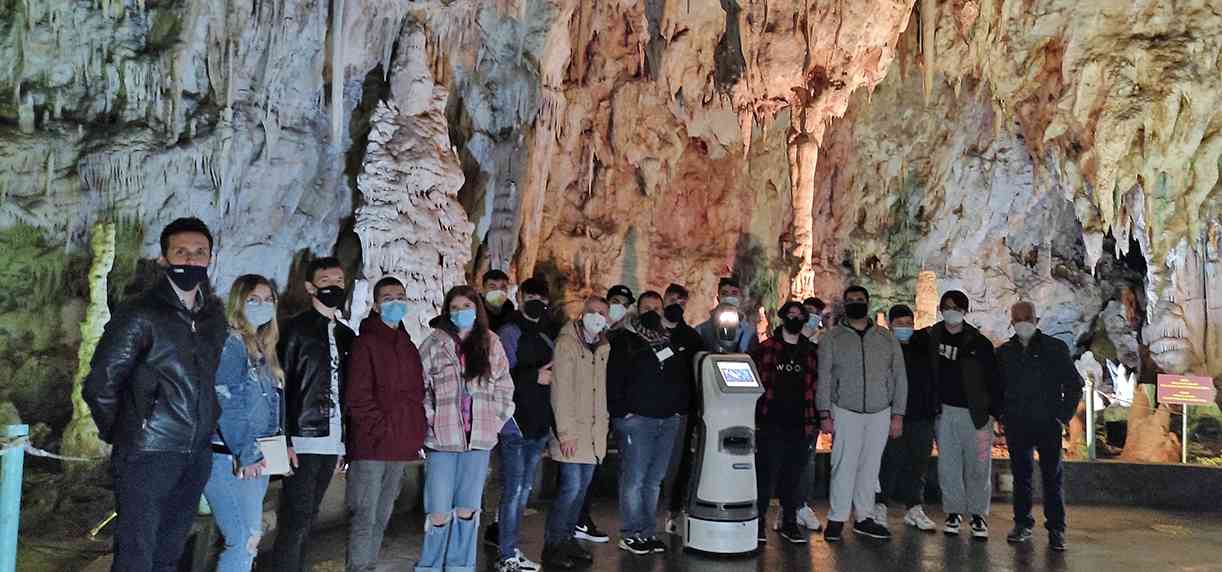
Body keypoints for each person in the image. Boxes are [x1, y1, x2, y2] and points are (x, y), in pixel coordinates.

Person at [84, 217, 227, 572]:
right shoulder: (141, 313)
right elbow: (101, 382)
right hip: (148, 453)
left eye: (199, 252)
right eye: (181, 252)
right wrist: (127, 432)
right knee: (136, 555)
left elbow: (208, 379)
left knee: (169, 552)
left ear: (210, 258)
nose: (190, 260)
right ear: (164, 259)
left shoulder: (212, 316)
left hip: (195, 453)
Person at [416, 286, 515, 572]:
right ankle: (430, 566)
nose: (461, 312)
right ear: (447, 311)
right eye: (455, 308)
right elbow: (420, 388)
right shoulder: (433, 344)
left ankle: (460, 565)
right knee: (438, 509)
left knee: (468, 509)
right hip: (442, 440)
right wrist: (431, 419)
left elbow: (504, 386)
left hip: (479, 440)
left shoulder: (491, 343)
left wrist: (495, 421)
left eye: (467, 306)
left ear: (477, 310)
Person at [272, 256, 355, 571]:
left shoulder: (347, 336)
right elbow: (281, 386)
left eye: (339, 281)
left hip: (331, 440)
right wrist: (284, 439)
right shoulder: (294, 330)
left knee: (310, 517)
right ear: (310, 287)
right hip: (302, 438)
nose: (334, 287)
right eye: (326, 281)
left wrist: (344, 442)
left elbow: (347, 391)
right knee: (296, 516)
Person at [344, 276, 427, 572]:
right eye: (388, 298)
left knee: (382, 515)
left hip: (399, 445)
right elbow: (358, 396)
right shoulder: (365, 343)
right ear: (376, 306)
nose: (395, 302)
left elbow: (416, 394)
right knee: (364, 516)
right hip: (372, 445)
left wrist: (414, 433)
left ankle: (368, 565)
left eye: (400, 296)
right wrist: (382, 429)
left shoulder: (407, 345)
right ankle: (359, 567)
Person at [203, 275, 285, 572]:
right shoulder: (231, 344)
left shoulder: (262, 349)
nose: (262, 306)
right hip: (229, 456)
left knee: (250, 537)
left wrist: (278, 449)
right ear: (239, 303)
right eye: (253, 300)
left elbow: (270, 407)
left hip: (257, 455)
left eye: (268, 300)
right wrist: (247, 453)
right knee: (244, 539)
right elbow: (227, 402)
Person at [815, 285, 907, 542]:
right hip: (845, 409)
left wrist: (898, 414)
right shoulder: (832, 338)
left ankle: (864, 517)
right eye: (851, 300)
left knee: (870, 466)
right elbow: (824, 377)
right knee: (843, 465)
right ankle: (837, 517)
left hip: (880, 410)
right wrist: (824, 413)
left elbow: (899, 376)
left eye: (860, 299)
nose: (856, 303)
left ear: (868, 302)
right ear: (845, 305)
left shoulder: (885, 338)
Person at [997, 301, 1082, 551]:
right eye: (1018, 318)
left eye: (1027, 317)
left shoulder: (1054, 348)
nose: (1022, 322)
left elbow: (1074, 384)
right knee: (1021, 476)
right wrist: (1002, 415)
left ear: (1036, 320)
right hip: (1017, 424)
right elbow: (996, 387)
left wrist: (1062, 416)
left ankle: (1056, 528)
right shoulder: (1004, 353)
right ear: (1012, 322)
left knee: (1052, 477)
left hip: (1047, 423)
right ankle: (1022, 523)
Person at [607, 291, 687, 555]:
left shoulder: (666, 341)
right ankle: (630, 533)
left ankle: (648, 531)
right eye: (646, 308)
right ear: (637, 310)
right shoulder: (625, 339)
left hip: (667, 420)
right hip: (638, 421)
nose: (652, 312)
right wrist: (622, 412)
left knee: (654, 480)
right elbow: (613, 378)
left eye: (656, 307)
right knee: (635, 478)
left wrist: (677, 410)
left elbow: (677, 376)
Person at [489, 277, 556, 572]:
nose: (536, 302)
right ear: (520, 298)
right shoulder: (509, 332)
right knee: (514, 490)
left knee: (523, 490)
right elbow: (500, 376)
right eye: (531, 296)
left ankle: (511, 548)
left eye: (541, 298)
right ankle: (507, 553)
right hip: (514, 423)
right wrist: (533, 377)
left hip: (538, 423)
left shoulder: (547, 332)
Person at [542, 297, 613, 570]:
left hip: (593, 433)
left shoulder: (603, 347)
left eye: (602, 313)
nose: (597, 316)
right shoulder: (566, 343)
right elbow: (560, 391)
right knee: (570, 490)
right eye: (592, 311)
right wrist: (566, 433)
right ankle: (553, 544)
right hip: (572, 431)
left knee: (581, 491)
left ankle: (568, 539)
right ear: (582, 314)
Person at [928, 290, 1001, 539]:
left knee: (979, 465)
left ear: (965, 311)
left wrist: (994, 413)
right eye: (947, 306)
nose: (952, 311)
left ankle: (978, 514)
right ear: (940, 309)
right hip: (945, 413)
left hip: (977, 416)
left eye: (957, 307)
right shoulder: (931, 338)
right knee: (948, 466)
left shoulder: (980, 343)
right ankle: (953, 512)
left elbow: (994, 380)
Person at [568, 285, 637, 544]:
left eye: (624, 304)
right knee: (579, 473)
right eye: (615, 301)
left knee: (592, 469)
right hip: (585, 412)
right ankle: (574, 522)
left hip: (606, 412)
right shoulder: (588, 335)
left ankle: (580, 519)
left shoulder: (624, 337)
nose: (619, 307)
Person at [750, 301, 820, 544]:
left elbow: (815, 385)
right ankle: (758, 522)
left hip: (800, 421)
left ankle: (789, 522)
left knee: (793, 476)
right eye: (791, 314)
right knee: (765, 475)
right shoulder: (765, 348)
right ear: (782, 317)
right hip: (770, 420)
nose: (795, 318)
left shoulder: (811, 351)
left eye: (800, 315)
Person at [875, 304, 939, 531]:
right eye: (899, 324)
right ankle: (879, 505)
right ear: (890, 325)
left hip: (921, 415)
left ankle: (914, 507)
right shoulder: (883, 349)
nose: (905, 328)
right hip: (891, 415)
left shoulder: (923, 346)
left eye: (908, 324)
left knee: (918, 462)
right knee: (888, 461)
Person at [656, 284, 705, 533]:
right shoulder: (650, 331)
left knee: (679, 463)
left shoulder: (692, 338)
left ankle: (673, 510)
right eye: (673, 299)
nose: (676, 305)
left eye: (682, 302)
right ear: (664, 299)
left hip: (681, 410)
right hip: (650, 408)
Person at [695, 277, 758, 352]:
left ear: (740, 298)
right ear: (718, 298)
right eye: (724, 293)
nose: (729, 297)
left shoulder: (749, 331)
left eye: (734, 293)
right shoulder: (702, 330)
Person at [483, 269, 515, 333]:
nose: (498, 291)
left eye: (503, 287)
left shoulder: (510, 309)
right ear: (483, 289)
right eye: (492, 287)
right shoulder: (475, 311)